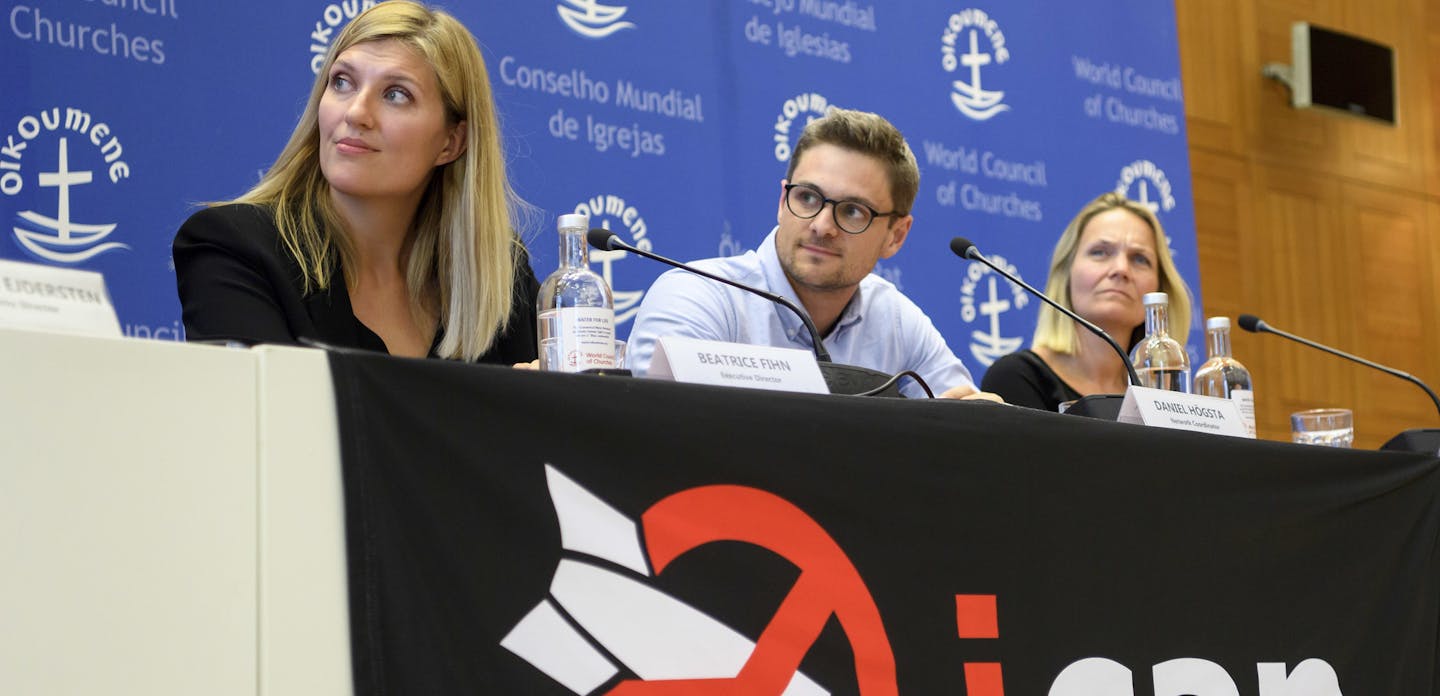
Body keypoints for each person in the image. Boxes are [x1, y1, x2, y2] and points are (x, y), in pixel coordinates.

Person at [173, 1, 538, 364]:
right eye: (342, 82)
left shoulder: (499, 274)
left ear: (451, 142)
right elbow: (272, 415)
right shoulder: (236, 248)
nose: (356, 112)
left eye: (396, 94)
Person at [625, 108, 993, 400]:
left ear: (895, 236)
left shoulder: (897, 322)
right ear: (783, 201)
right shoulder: (698, 297)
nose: (821, 225)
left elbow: (964, 428)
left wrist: (981, 419)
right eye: (808, 198)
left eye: (852, 211)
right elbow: (663, 434)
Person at [980, 192, 1193, 411]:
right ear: (1066, 274)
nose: (1121, 269)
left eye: (1140, 258)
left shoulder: (1165, 397)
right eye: (1100, 252)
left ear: (1160, 288)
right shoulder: (1017, 378)